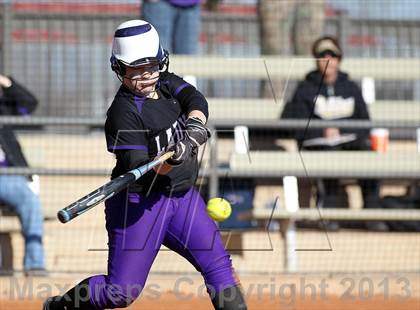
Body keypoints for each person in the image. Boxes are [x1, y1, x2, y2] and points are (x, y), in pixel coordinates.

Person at [43, 20, 247, 310]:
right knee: (120, 293)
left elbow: (194, 98)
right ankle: (61, 306)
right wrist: (170, 159)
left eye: (151, 66)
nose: (146, 75)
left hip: (183, 198)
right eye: (135, 69)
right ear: (120, 70)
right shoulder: (122, 113)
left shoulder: (165, 83)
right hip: (139, 204)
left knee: (219, 267)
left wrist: (195, 126)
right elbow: (143, 169)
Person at [281, 36, 388, 232]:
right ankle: (328, 215)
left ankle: (373, 215)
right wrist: (322, 130)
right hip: (317, 145)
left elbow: (364, 123)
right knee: (327, 162)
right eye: (322, 55)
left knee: (370, 159)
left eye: (333, 55)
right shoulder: (305, 89)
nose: (328, 60)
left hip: (349, 142)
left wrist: (343, 130)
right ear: (316, 59)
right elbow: (293, 125)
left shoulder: (350, 87)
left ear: (339, 59)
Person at [0, 74, 46, 275]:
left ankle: (35, 264)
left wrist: (5, 81)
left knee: (30, 201)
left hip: (9, 175)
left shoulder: (2, 110)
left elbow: (29, 103)